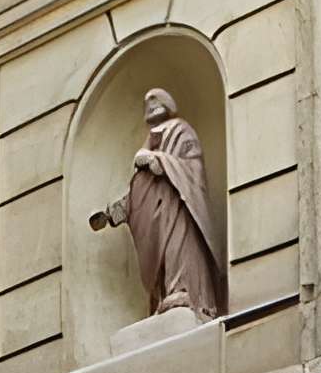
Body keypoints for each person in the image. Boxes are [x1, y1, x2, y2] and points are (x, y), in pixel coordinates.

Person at [92, 87, 226, 324]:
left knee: (179, 247)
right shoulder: (149, 142)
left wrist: (159, 161)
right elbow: (139, 192)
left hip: (180, 208)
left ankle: (187, 292)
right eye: (147, 103)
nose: (150, 105)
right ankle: (167, 295)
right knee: (162, 255)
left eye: (155, 100)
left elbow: (192, 168)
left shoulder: (181, 130)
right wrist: (112, 214)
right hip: (158, 217)